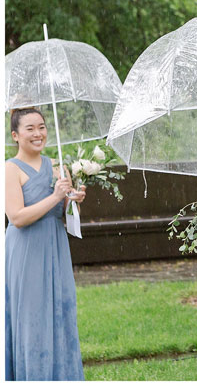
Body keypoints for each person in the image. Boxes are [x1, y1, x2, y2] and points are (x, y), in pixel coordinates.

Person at [5, 107, 87, 381]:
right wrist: (55, 196)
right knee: (32, 317)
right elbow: (16, 217)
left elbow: (64, 215)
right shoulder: (9, 169)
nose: (38, 133)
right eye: (30, 128)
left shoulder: (58, 166)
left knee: (60, 310)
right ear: (15, 135)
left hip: (55, 247)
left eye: (41, 127)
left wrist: (73, 200)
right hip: (25, 251)